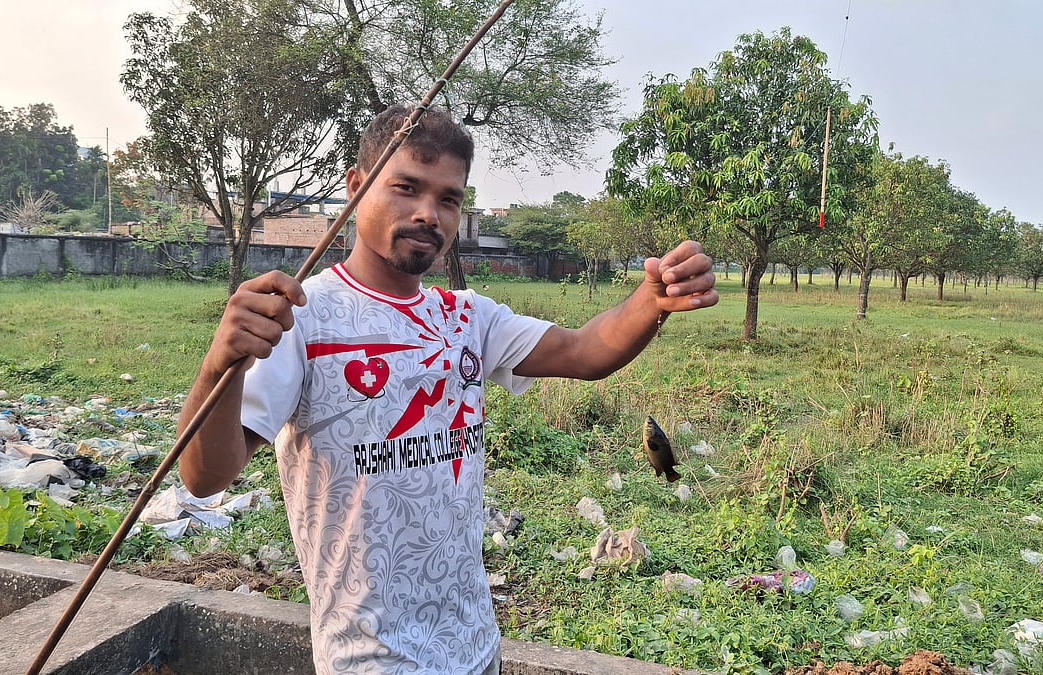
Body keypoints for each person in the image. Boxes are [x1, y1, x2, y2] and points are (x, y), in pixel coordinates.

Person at [177, 103, 719, 675]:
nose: (428, 214)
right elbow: (204, 476)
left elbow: (583, 351)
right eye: (406, 187)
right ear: (357, 188)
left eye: (449, 199)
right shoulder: (300, 317)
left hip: (475, 646)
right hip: (369, 659)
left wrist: (653, 299)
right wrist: (219, 366)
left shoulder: (466, 317)